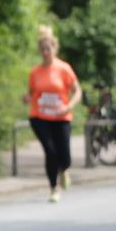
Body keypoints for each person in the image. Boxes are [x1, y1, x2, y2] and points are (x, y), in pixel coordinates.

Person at [23, 26, 82, 202]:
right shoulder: (35, 72)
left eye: (48, 49)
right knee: (50, 151)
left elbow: (77, 91)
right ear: (40, 51)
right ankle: (53, 188)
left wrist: (68, 106)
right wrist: (26, 98)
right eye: (42, 49)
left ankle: (64, 169)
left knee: (65, 157)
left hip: (61, 116)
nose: (46, 52)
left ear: (55, 49)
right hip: (39, 117)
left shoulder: (64, 69)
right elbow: (32, 93)